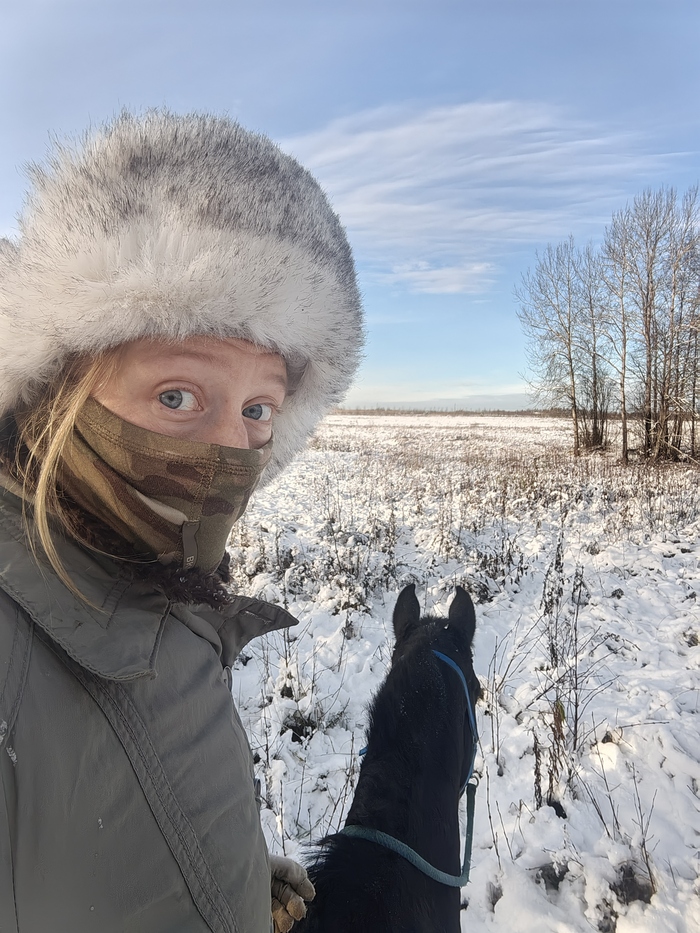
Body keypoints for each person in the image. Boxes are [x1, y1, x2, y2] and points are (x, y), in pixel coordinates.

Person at [0, 110, 363, 933]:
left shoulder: (158, 583)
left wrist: (224, 883)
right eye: (177, 394)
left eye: (259, 408)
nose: (228, 451)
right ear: (57, 385)